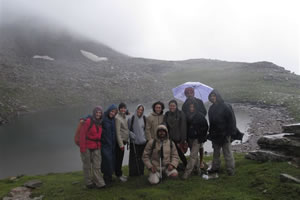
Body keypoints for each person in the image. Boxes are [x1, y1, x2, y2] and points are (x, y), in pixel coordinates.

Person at [207, 90, 235, 176]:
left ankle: (230, 170)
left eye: (214, 96)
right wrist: (210, 134)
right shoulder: (211, 108)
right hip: (215, 135)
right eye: (211, 96)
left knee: (227, 152)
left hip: (225, 134)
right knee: (216, 152)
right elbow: (211, 123)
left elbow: (232, 121)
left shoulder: (226, 106)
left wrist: (229, 133)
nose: (212, 98)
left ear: (218, 96)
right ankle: (215, 168)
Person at [79, 106, 106, 189]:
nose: (98, 114)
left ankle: (99, 183)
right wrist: (82, 148)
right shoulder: (88, 121)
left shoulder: (100, 122)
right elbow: (82, 135)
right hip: (87, 146)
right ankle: (89, 183)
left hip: (97, 146)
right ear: (94, 113)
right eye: (97, 112)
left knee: (96, 166)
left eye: (100, 113)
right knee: (87, 166)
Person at [182, 87, 207, 169]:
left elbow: (204, 112)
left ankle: (201, 162)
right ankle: (195, 161)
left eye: (191, 92)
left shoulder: (199, 102)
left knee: (200, 146)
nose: (189, 94)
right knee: (192, 147)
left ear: (193, 93)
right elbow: (183, 116)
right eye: (187, 93)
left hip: (199, 127)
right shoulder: (185, 104)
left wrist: (197, 115)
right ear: (185, 94)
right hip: (190, 128)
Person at [182, 102, 208, 179]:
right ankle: (198, 171)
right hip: (190, 138)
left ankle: (187, 173)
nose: (191, 109)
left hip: (197, 138)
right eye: (190, 107)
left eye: (193, 107)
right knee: (195, 156)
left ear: (196, 107)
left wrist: (200, 134)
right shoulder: (186, 116)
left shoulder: (200, 116)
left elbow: (205, 127)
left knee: (192, 156)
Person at [163, 100, 187, 168]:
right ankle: (173, 166)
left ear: (176, 106)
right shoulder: (167, 114)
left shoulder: (181, 113)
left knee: (180, 154)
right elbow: (164, 123)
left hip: (178, 138)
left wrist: (182, 140)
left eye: (173, 106)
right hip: (169, 138)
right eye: (170, 106)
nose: (172, 107)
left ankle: (186, 165)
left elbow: (183, 127)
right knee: (171, 154)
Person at [128, 104, 147, 176]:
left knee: (141, 158)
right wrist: (130, 134)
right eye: (139, 109)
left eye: (142, 110)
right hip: (134, 142)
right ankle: (133, 173)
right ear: (136, 109)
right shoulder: (131, 118)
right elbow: (128, 129)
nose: (140, 111)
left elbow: (145, 130)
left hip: (143, 142)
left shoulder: (144, 118)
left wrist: (145, 138)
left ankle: (141, 172)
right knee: (133, 158)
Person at [101, 104, 118, 185]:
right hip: (105, 144)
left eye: (114, 112)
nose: (113, 113)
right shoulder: (103, 118)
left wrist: (127, 112)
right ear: (109, 110)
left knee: (111, 161)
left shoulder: (113, 119)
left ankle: (110, 177)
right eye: (112, 111)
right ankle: (106, 179)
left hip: (112, 145)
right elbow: (93, 118)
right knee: (106, 162)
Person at [115, 103, 129, 182]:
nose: (123, 110)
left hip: (124, 142)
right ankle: (118, 175)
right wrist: (121, 145)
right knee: (119, 159)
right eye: (122, 108)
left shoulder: (123, 116)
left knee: (120, 158)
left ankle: (119, 173)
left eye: (124, 108)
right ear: (119, 109)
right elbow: (118, 133)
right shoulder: (117, 118)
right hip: (120, 143)